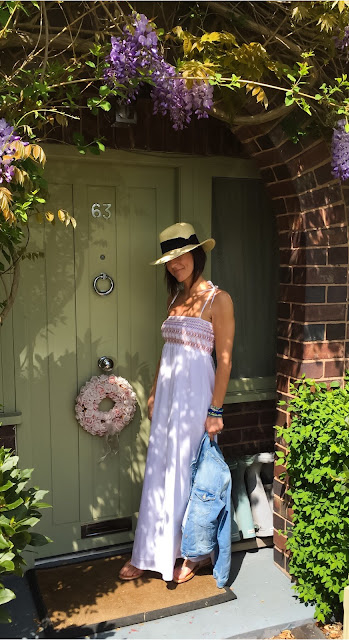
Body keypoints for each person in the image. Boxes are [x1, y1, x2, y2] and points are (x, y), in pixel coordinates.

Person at [119, 222, 235, 583]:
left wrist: (215, 411)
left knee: (187, 475)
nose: (175, 264)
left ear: (196, 253)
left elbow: (225, 359)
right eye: (169, 259)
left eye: (180, 255)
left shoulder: (219, 299)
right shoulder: (175, 299)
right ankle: (149, 552)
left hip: (197, 399)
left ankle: (191, 554)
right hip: (169, 399)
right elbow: (167, 352)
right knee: (159, 472)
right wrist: (154, 390)